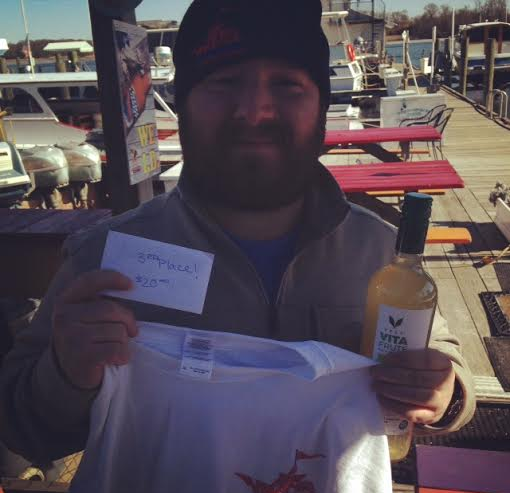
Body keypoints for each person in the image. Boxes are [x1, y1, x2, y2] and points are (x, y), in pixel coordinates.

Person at [0, 0, 474, 466]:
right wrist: (66, 374)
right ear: (183, 105)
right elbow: (22, 430)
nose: (254, 111)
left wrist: (447, 392)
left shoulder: (380, 250)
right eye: (224, 82)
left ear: (321, 107)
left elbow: (443, 355)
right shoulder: (104, 259)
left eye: (287, 85)